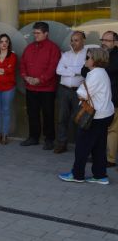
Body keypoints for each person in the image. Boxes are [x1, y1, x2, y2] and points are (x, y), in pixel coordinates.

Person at [59, 48, 114, 185]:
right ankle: (100, 175)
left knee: (82, 146)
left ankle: (77, 174)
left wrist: (80, 89)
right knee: (99, 146)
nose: (85, 60)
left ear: (95, 60)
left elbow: (81, 93)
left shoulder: (94, 74)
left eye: (88, 57)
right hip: (105, 114)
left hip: (95, 116)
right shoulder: (102, 72)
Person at [20, 21, 61, 150]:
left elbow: (53, 68)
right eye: (34, 33)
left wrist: (40, 79)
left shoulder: (53, 48)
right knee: (32, 113)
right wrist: (26, 77)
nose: (35, 35)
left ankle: (49, 140)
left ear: (46, 33)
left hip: (47, 88)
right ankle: (33, 137)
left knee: (48, 114)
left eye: (38, 33)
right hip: (31, 87)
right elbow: (23, 64)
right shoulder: (29, 47)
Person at [53, 31, 87, 153]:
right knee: (62, 118)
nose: (73, 43)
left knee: (79, 119)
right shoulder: (66, 55)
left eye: (76, 40)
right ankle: (61, 144)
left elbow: (85, 71)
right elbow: (58, 70)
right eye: (72, 40)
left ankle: (81, 146)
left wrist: (69, 69)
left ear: (83, 41)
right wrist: (75, 72)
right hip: (64, 90)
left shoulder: (87, 55)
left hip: (79, 91)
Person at [100, 31, 118, 168]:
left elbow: (109, 70)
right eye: (103, 39)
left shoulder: (115, 56)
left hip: (114, 97)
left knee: (112, 129)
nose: (104, 42)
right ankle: (100, 155)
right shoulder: (101, 54)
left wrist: (96, 68)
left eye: (108, 40)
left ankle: (110, 159)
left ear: (115, 42)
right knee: (101, 129)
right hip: (101, 98)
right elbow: (85, 70)